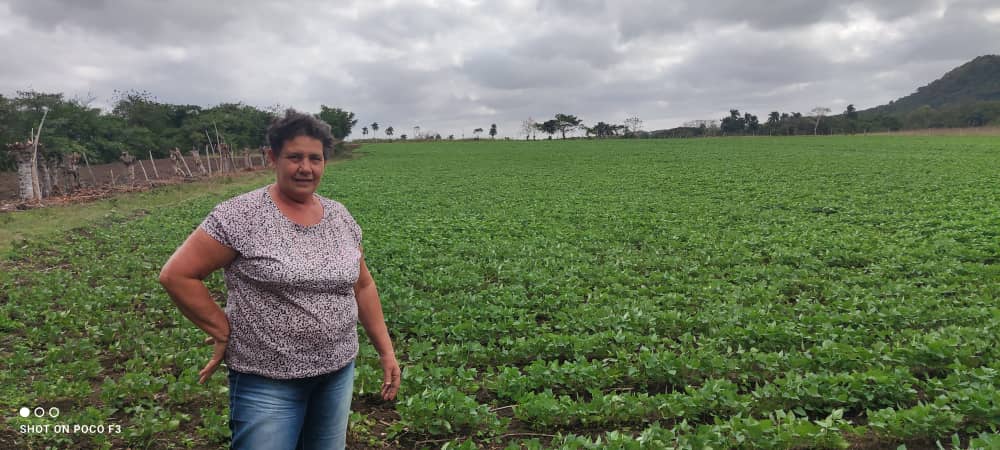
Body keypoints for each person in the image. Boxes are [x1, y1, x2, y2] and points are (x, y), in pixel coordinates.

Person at [159, 109, 400, 450]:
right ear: (272, 157)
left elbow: (362, 285)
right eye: (295, 157)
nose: (306, 168)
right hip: (267, 380)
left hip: (336, 371)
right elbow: (178, 275)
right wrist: (222, 328)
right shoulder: (239, 215)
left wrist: (386, 352)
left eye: (315, 158)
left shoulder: (340, 216)